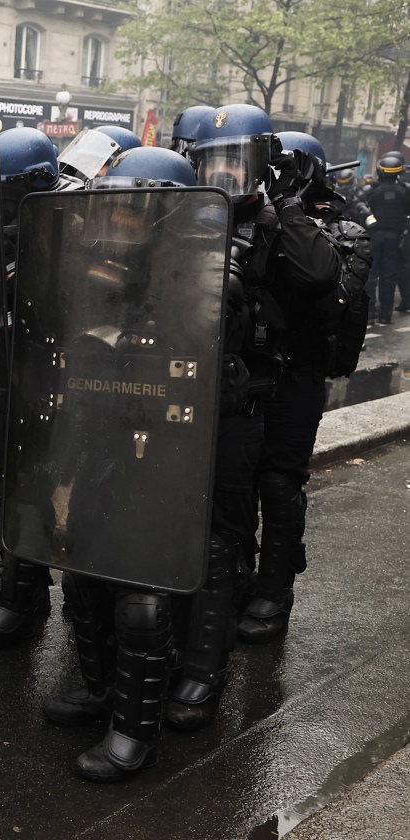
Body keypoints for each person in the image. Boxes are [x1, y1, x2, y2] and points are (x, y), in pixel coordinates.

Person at [38, 145, 213, 782]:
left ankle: (134, 731)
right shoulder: (101, 268)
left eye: (137, 213)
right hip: (104, 435)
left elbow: (203, 362)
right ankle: (100, 689)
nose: (121, 224)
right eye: (118, 210)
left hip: (165, 447)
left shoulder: (206, 276)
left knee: (142, 590)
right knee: (85, 568)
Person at [164, 104, 339, 734]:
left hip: (259, 386)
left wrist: (286, 211)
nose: (225, 174)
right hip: (186, 388)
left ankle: (241, 622)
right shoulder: (187, 213)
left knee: (256, 498)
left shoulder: (283, 222)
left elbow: (319, 277)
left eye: (237, 161)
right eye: (212, 161)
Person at [236, 132, 370, 643]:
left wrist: (289, 215)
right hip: (249, 373)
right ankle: (239, 578)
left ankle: (274, 589)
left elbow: (323, 290)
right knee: (236, 480)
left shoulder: (347, 230)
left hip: (299, 374)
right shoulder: (252, 220)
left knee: (279, 481)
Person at [0, 127, 65, 647]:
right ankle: (20, 574)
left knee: (28, 483)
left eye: (5, 195)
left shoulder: (63, 237)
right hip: (3, 372)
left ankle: (23, 600)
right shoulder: (1, 238)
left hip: (44, 378)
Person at [363, 153, 410, 325]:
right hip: (395, 238)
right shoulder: (405, 191)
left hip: (374, 236)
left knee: (371, 276)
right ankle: (386, 314)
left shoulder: (372, 190)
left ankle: (369, 315)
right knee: (389, 276)